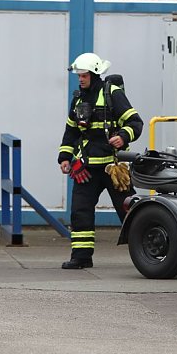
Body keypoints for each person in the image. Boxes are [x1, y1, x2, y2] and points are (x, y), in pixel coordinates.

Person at [57, 53, 143, 269]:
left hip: (112, 168)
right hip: (85, 168)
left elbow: (135, 122)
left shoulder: (113, 94)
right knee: (80, 212)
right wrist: (65, 157)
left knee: (129, 212)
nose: (80, 79)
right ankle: (81, 257)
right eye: (79, 75)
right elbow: (71, 131)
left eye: (84, 75)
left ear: (94, 74)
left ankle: (149, 252)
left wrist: (123, 136)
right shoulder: (78, 98)